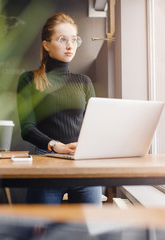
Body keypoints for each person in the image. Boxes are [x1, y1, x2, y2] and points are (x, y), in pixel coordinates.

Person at [16, 13, 102, 205]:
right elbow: (27, 128)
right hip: (45, 161)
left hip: (81, 161)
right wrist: (58, 146)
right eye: (62, 39)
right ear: (46, 45)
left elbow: (94, 126)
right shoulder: (30, 80)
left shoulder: (84, 82)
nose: (70, 45)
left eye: (74, 39)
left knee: (89, 229)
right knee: (42, 231)